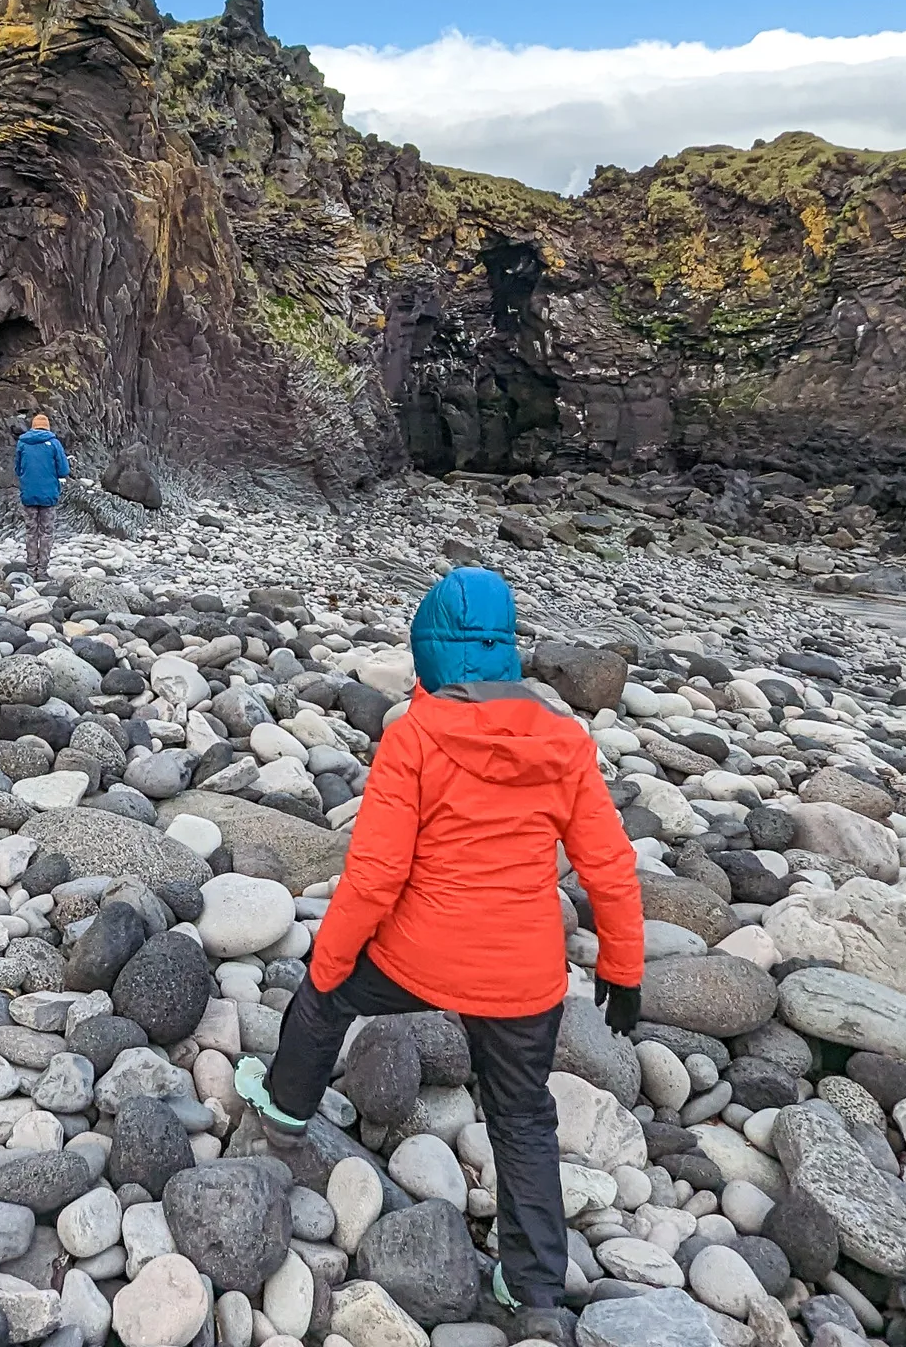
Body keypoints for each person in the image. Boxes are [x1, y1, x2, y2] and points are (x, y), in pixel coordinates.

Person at [234, 567, 646, 1345]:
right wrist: (623, 971)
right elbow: (609, 868)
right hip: (523, 976)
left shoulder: (415, 735)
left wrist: (331, 958)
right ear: (505, 652)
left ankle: (286, 1118)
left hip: (415, 954)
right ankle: (535, 1299)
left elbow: (378, 873)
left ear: (429, 652)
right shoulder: (564, 741)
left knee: (323, 999)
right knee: (523, 1118)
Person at [15, 412, 70, 580]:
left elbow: (18, 470)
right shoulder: (54, 444)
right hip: (48, 495)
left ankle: (31, 569)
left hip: (29, 494)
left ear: (33, 426)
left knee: (31, 531)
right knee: (46, 532)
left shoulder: (22, 443)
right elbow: (63, 471)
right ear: (47, 427)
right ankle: (42, 571)